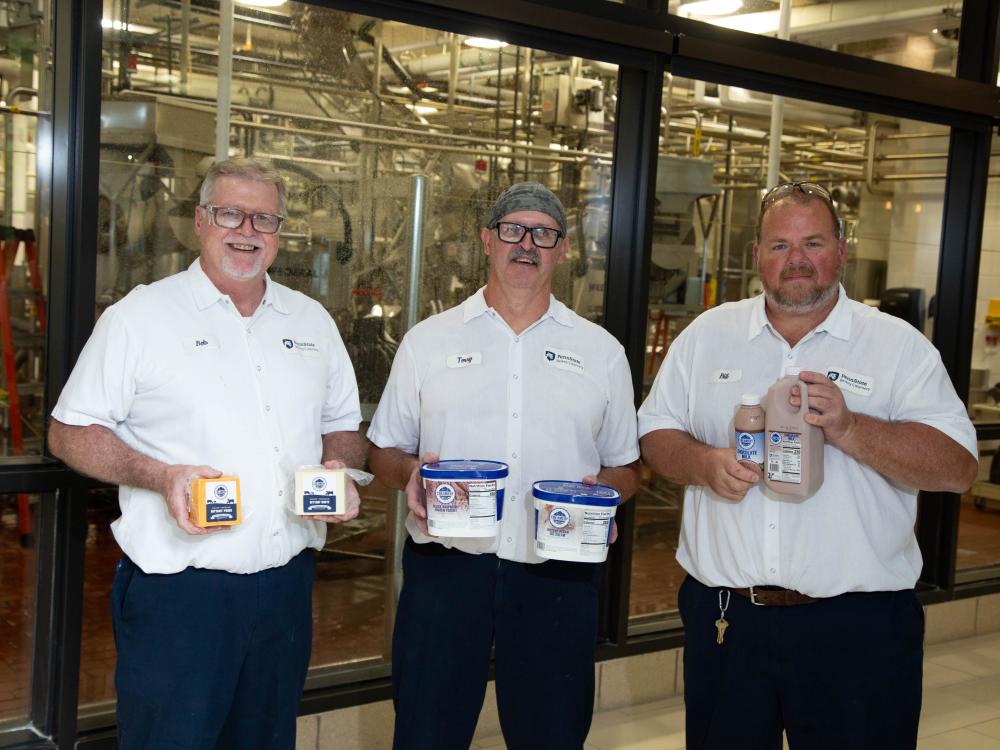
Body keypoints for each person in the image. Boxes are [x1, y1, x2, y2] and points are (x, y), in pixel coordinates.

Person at [638, 180, 978, 750]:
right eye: (779, 246)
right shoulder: (707, 337)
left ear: (841, 250)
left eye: (813, 243)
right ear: (758, 257)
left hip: (858, 628)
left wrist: (850, 428)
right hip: (728, 619)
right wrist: (703, 463)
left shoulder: (897, 347)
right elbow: (654, 434)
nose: (796, 260)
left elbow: (957, 467)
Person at [48, 157, 364, 750]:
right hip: (181, 594)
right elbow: (69, 431)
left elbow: (342, 424)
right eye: (229, 213)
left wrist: (339, 469)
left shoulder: (311, 321)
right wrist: (158, 474)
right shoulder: (140, 318)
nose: (247, 230)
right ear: (200, 220)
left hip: (285, 589)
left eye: (264, 218)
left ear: (279, 231)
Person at [367, 182, 640, 750]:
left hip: (556, 573)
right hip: (446, 571)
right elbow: (382, 450)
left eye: (544, 234)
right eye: (513, 230)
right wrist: (411, 475)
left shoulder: (601, 352)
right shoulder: (428, 342)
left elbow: (629, 468)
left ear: (562, 250)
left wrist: (604, 496)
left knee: (552, 734)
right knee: (426, 733)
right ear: (487, 241)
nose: (527, 244)